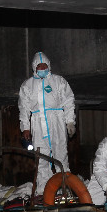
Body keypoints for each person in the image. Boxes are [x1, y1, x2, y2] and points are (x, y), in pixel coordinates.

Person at [18, 51, 76, 194]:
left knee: (61, 155)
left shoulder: (59, 81)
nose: (42, 68)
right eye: (39, 66)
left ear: (49, 66)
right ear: (34, 68)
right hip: (37, 122)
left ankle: (64, 190)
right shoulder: (27, 85)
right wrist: (25, 128)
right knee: (42, 158)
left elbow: (68, 101)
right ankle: (44, 192)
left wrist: (70, 121)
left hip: (56, 120)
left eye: (45, 66)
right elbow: (23, 108)